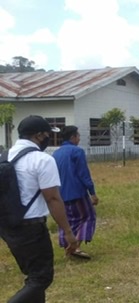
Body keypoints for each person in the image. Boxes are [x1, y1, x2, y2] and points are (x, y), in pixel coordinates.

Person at [0, 115, 79, 303]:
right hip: (31, 228)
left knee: (33, 275)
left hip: (7, 225)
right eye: (48, 134)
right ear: (39, 136)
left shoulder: (4, 156)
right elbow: (53, 198)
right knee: (41, 278)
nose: (50, 138)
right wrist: (68, 232)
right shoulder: (42, 160)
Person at [52, 126, 99, 259]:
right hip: (77, 192)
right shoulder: (77, 151)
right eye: (78, 136)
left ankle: (67, 245)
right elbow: (84, 174)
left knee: (69, 220)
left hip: (61, 194)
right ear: (72, 137)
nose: (79, 139)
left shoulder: (56, 153)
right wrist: (92, 193)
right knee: (88, 217)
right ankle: (74, 247)